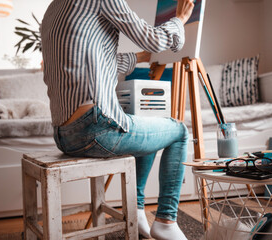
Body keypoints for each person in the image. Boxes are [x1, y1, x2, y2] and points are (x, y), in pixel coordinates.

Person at [41, 0, 194, 239]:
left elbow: (98, 62)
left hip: (63, 135)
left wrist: (140, 57)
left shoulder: (54, 9)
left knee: (148, 125)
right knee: (179, 131)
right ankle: (166, 220)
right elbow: (154, 39)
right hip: (96, 128)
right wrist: (180, 19)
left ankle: (139, 210)